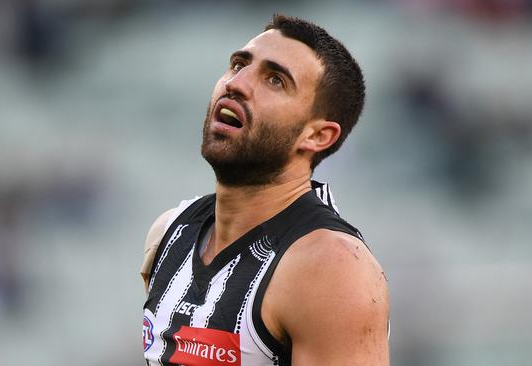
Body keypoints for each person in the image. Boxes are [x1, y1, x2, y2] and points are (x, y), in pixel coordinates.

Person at [140, 14, 389, 366]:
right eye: (238, 64)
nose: (237, 84)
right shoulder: (169, 231)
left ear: (317, 136)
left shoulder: (331, 267)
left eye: (275, 80)